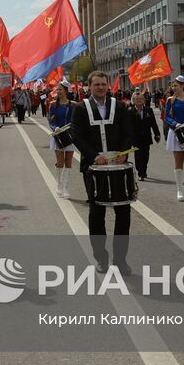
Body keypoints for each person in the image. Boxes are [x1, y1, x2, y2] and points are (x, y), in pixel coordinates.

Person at [70, 71, 133, 270]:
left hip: (118, 167)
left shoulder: (120, 106)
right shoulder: (80, 108)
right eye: (96, 84)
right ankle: (101, 258)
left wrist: (124, 151)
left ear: (108, 86)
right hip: (94, 167)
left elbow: (128, 132)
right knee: (97, 214)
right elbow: (76, 136)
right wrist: (93, 155)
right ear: (89, 86)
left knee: (123, 213)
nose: (100, 87)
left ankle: (121, 260)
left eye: (103, 84)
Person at [47, 83, 78, 198]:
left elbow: (75, 119)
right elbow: (51, 120)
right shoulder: (53, 105)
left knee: (68, 162)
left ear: (66, 91)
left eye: (60, 90)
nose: (58, 92)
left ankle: (65, 188)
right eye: (57, 90)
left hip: (69, 135)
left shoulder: (73, 105)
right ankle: (59, 186)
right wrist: (55, 128)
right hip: (58, 135)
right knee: (60, 162)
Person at [128, 90, 161, 181]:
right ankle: (140, 172)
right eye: (136, 99)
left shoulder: (148, 110)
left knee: (146, 155)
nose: (139, 100)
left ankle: (144, 170)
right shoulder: (130, 112)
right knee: (138, 156)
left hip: (146, 137)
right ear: (133, 101)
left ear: (144, 100)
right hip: (136, 138)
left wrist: (157, 134)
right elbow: (128, 127)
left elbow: (153, 124)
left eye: (141, 99)